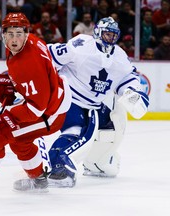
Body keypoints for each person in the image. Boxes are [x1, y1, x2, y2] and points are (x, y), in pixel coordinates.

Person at [0, 12, 71, 194]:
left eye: (19, 33)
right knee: (20, 142)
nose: (14, 39)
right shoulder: (29, 41)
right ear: (3, 34)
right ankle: (39, 180)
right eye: (10, 34)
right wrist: (13, 81)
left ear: (26, 33)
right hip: (52, 99)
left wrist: (7, 117)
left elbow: (36, 108)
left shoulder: (29, 63)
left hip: (50, 112)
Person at [46, 17, 150, 187]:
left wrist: (134, 92)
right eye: (107, 34)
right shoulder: (82, 44)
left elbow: (128, 77)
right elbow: (50, 55)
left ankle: (96, 163)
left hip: (94, 105)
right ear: (97, 32)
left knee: (113, 125)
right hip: (70, 99)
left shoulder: (119, 55)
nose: (110, 38)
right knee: (76, 132)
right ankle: (55, 164)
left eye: (113, 35)